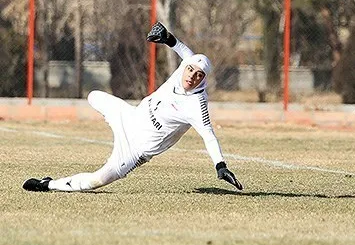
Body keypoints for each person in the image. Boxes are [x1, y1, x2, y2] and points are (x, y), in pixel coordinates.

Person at [22, 22, 243, 193]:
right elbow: (184, 50)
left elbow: (209, 136)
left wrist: (220, 166)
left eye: (199, 75)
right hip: (129, 116)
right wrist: (167, 38)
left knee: (97, 180)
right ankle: (111, 123)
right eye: (191, 70)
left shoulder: (197, 104)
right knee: (93, 96)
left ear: (203, 80)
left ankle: (48, 185)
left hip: (136, 149)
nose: (193, 76)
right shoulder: (186, 64)